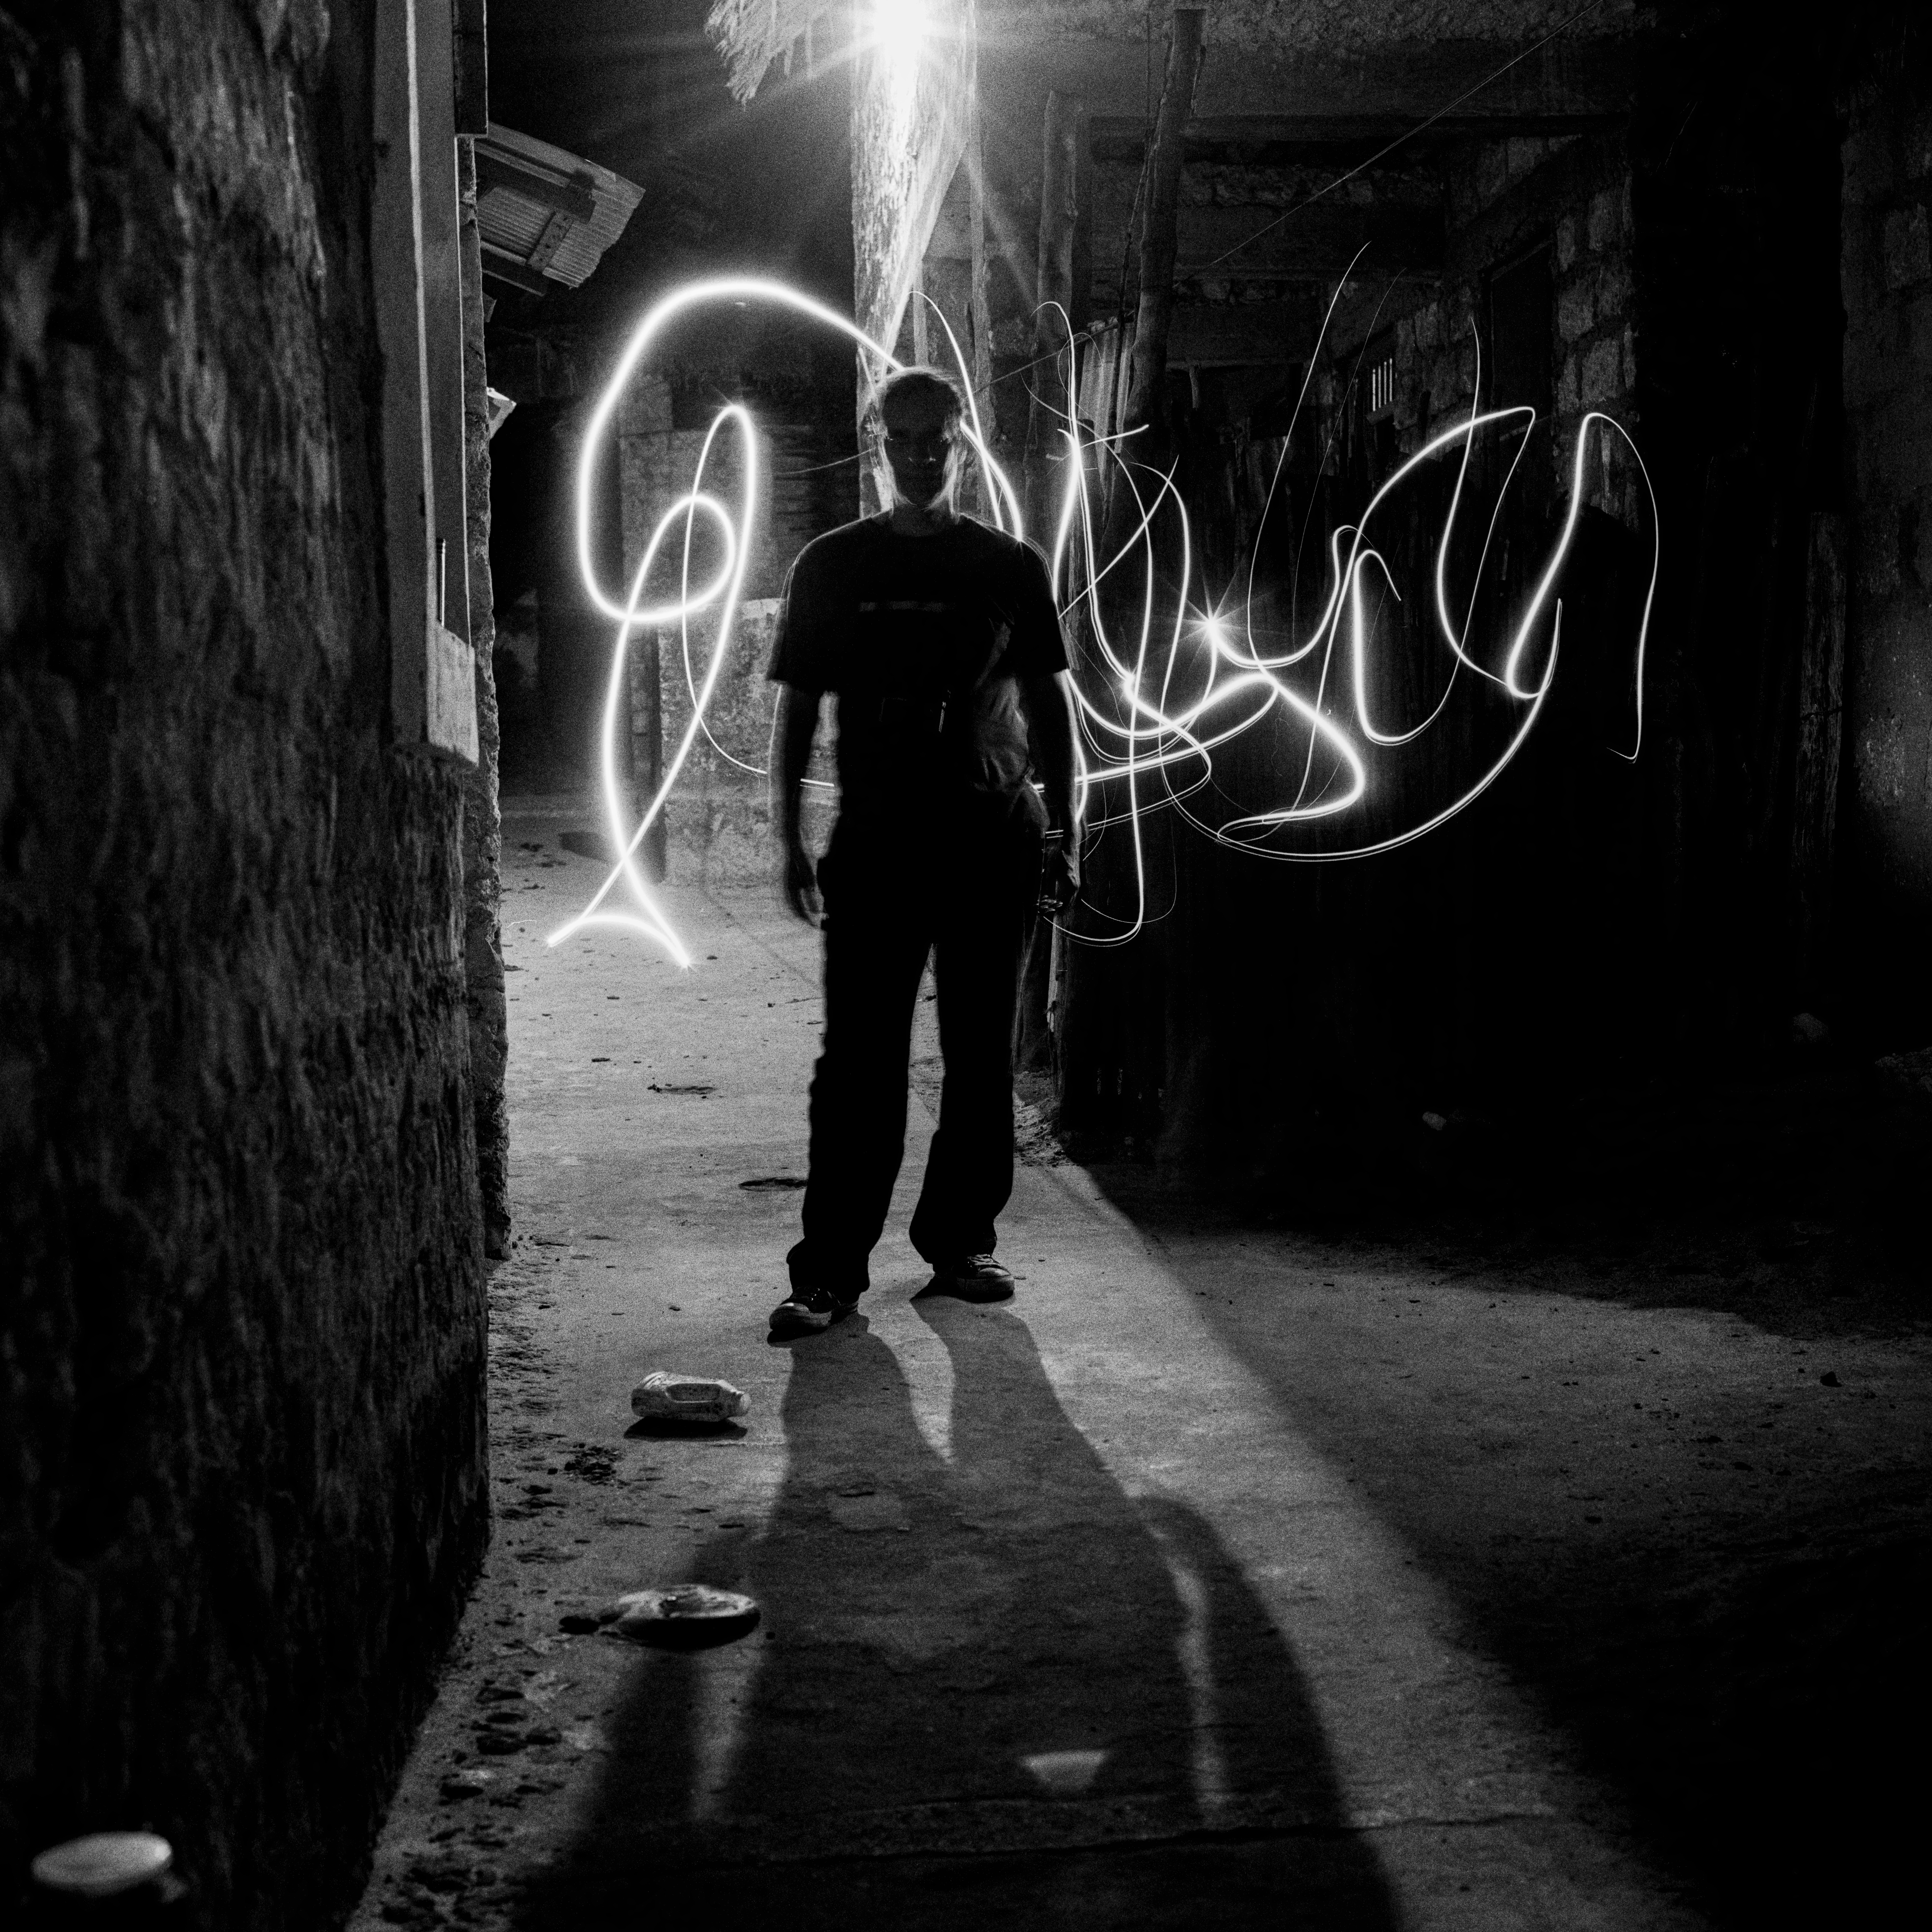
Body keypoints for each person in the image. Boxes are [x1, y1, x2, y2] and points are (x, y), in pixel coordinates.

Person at [764, 366, 1080, 1338]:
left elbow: (1049, 704)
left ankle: (960, 1244)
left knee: (981, 1053)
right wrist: (789, 836)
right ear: (878, 443)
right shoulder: (832, 565)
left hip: (990, 836)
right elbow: (799, 706)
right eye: (900, 439)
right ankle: (829, 1271)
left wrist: (1062, 829)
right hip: (878, 839)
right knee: (859, 1060)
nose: (917, 455)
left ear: (960, 440)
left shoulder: (1007, 567)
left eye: (934, 439)